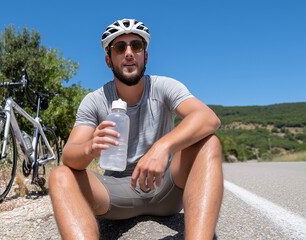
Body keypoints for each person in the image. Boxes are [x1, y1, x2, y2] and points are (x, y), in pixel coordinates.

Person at [49, 18, 223, 240]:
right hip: (115, 196)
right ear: (108, 61)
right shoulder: (94, 101)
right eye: (120, 48)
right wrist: (90, 148)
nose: (129, 53)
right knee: (60, 176)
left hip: (165, 188)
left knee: (209, 142)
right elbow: (70, 156)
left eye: (136, 46)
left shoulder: (165, 86)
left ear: (145, 56)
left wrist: (162, 147)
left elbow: (208, 118)